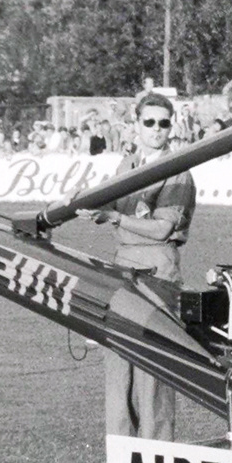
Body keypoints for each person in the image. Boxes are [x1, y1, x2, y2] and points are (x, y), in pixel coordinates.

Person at [81, 92, 197, 441]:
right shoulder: (127, 165)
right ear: (136, 125)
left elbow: (162, 228)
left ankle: (158, 456)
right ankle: (122, 455)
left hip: (158, 273)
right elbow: (105, 200)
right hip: (122, 270)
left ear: (171, 125)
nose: (157, 129)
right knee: (119, 368)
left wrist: (115, 216)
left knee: (154, 374)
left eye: (164, 122)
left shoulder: (178, 172)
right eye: (149, 122)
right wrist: (81, 203)